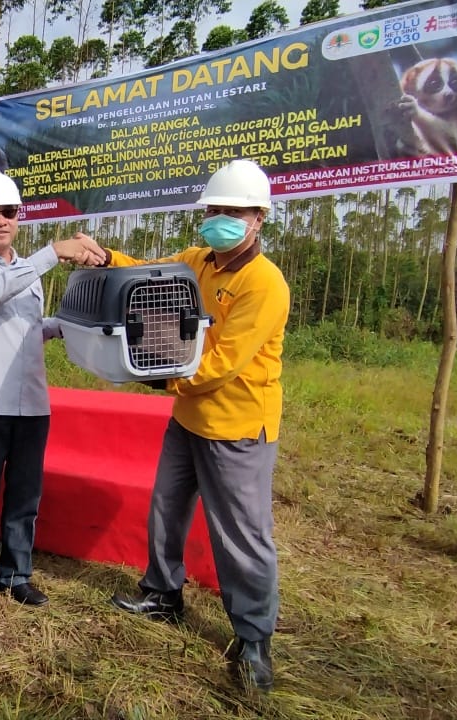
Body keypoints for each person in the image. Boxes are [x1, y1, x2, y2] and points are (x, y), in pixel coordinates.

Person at [107, 159, 289, 693]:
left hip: (236, 426)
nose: (220, 219)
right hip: (189, 420)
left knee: (241, 536)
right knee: (166, 508)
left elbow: (221, 364)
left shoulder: (265, 284)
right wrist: (107, 257)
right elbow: (148, 268)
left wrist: (158, 380)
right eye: (214, 210)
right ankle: (163, 594)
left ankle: (254, 637)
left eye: (233, 212)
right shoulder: (199, 261)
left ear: (258, 218)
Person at [0, 170, 106, 619]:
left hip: (32, 402)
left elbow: (30, 327)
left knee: (23, 496)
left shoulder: (27, 271)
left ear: (19, 217)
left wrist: (71, 324)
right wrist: (54, 251)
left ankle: (17, 575)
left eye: (9, 212)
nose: (0, 220)